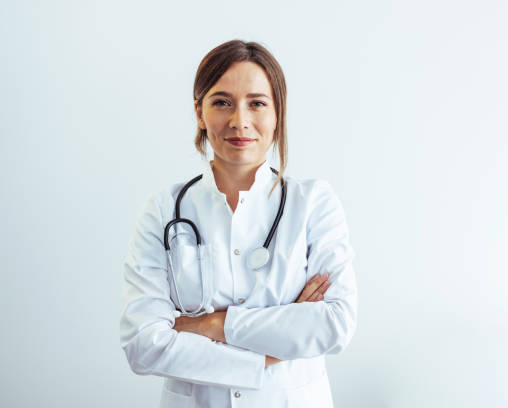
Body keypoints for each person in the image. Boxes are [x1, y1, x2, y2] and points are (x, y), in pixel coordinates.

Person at [119, 39, 358, 408]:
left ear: (278, 113)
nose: (239, 121)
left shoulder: (313, 204)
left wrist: (212, 326)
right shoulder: (164, 210)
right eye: (221, 102)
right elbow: (143, 346)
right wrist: (274, 347)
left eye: (257, 103)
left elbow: (335, 324)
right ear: (199, 113)